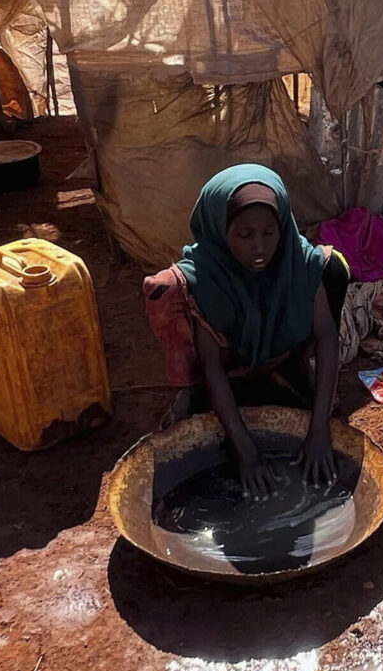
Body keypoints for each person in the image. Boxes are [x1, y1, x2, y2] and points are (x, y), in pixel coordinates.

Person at [142, 169, 348, 497]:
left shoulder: (296, 261)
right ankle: (194, 392)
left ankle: (289, 367)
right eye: (244, 234)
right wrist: (248, 454)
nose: (259, 248)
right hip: (225, 361)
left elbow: (326, 335)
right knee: (166, 290)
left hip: (279, 347)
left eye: (269, 233)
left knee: (333, 267)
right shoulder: (206, 278)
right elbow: (210, 363)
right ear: (221, 231)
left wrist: (319, 428)